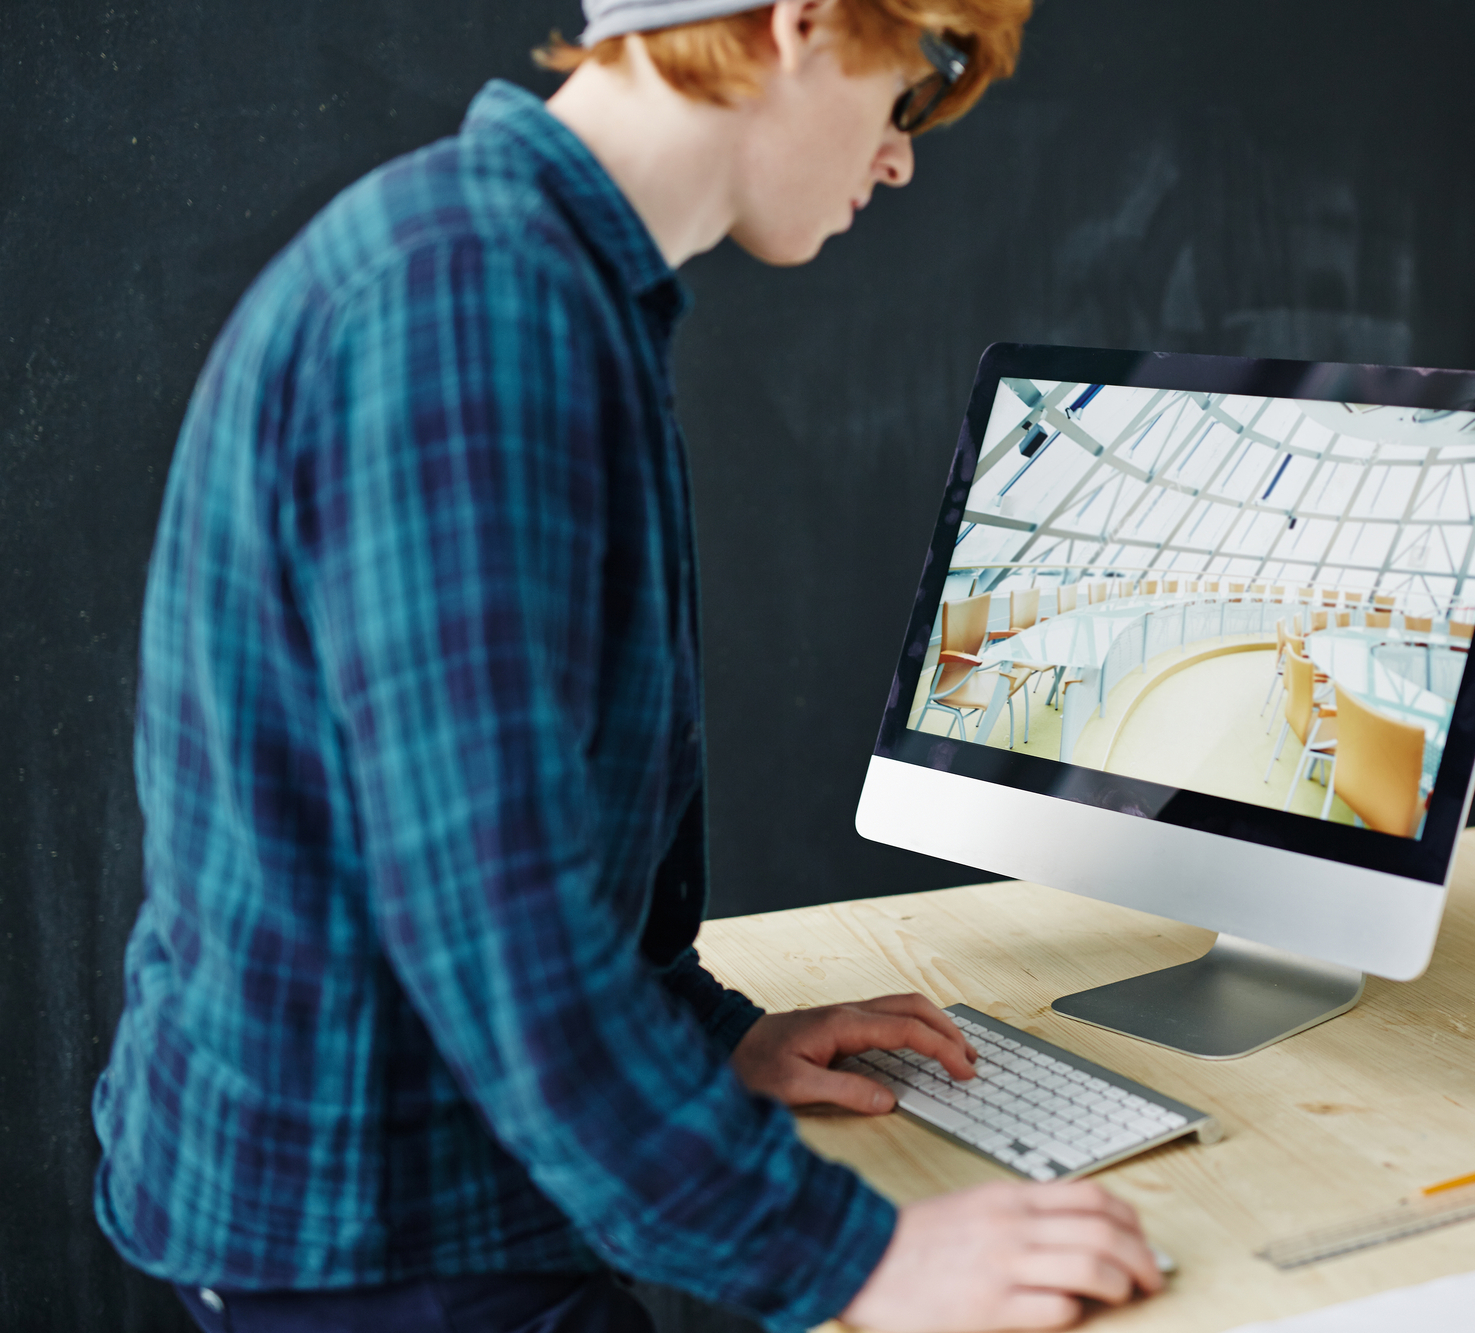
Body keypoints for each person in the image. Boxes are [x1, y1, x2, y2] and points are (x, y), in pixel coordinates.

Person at [92, 3, 1163, 1330]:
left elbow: (499, 831)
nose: (900, 159)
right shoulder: (473, 303)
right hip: (391, 1237)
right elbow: (497, 924)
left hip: (415, 1195)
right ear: (807, 22)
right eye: (921, 86)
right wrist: (862, 1260)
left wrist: (714, 1038)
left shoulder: (534, 276)